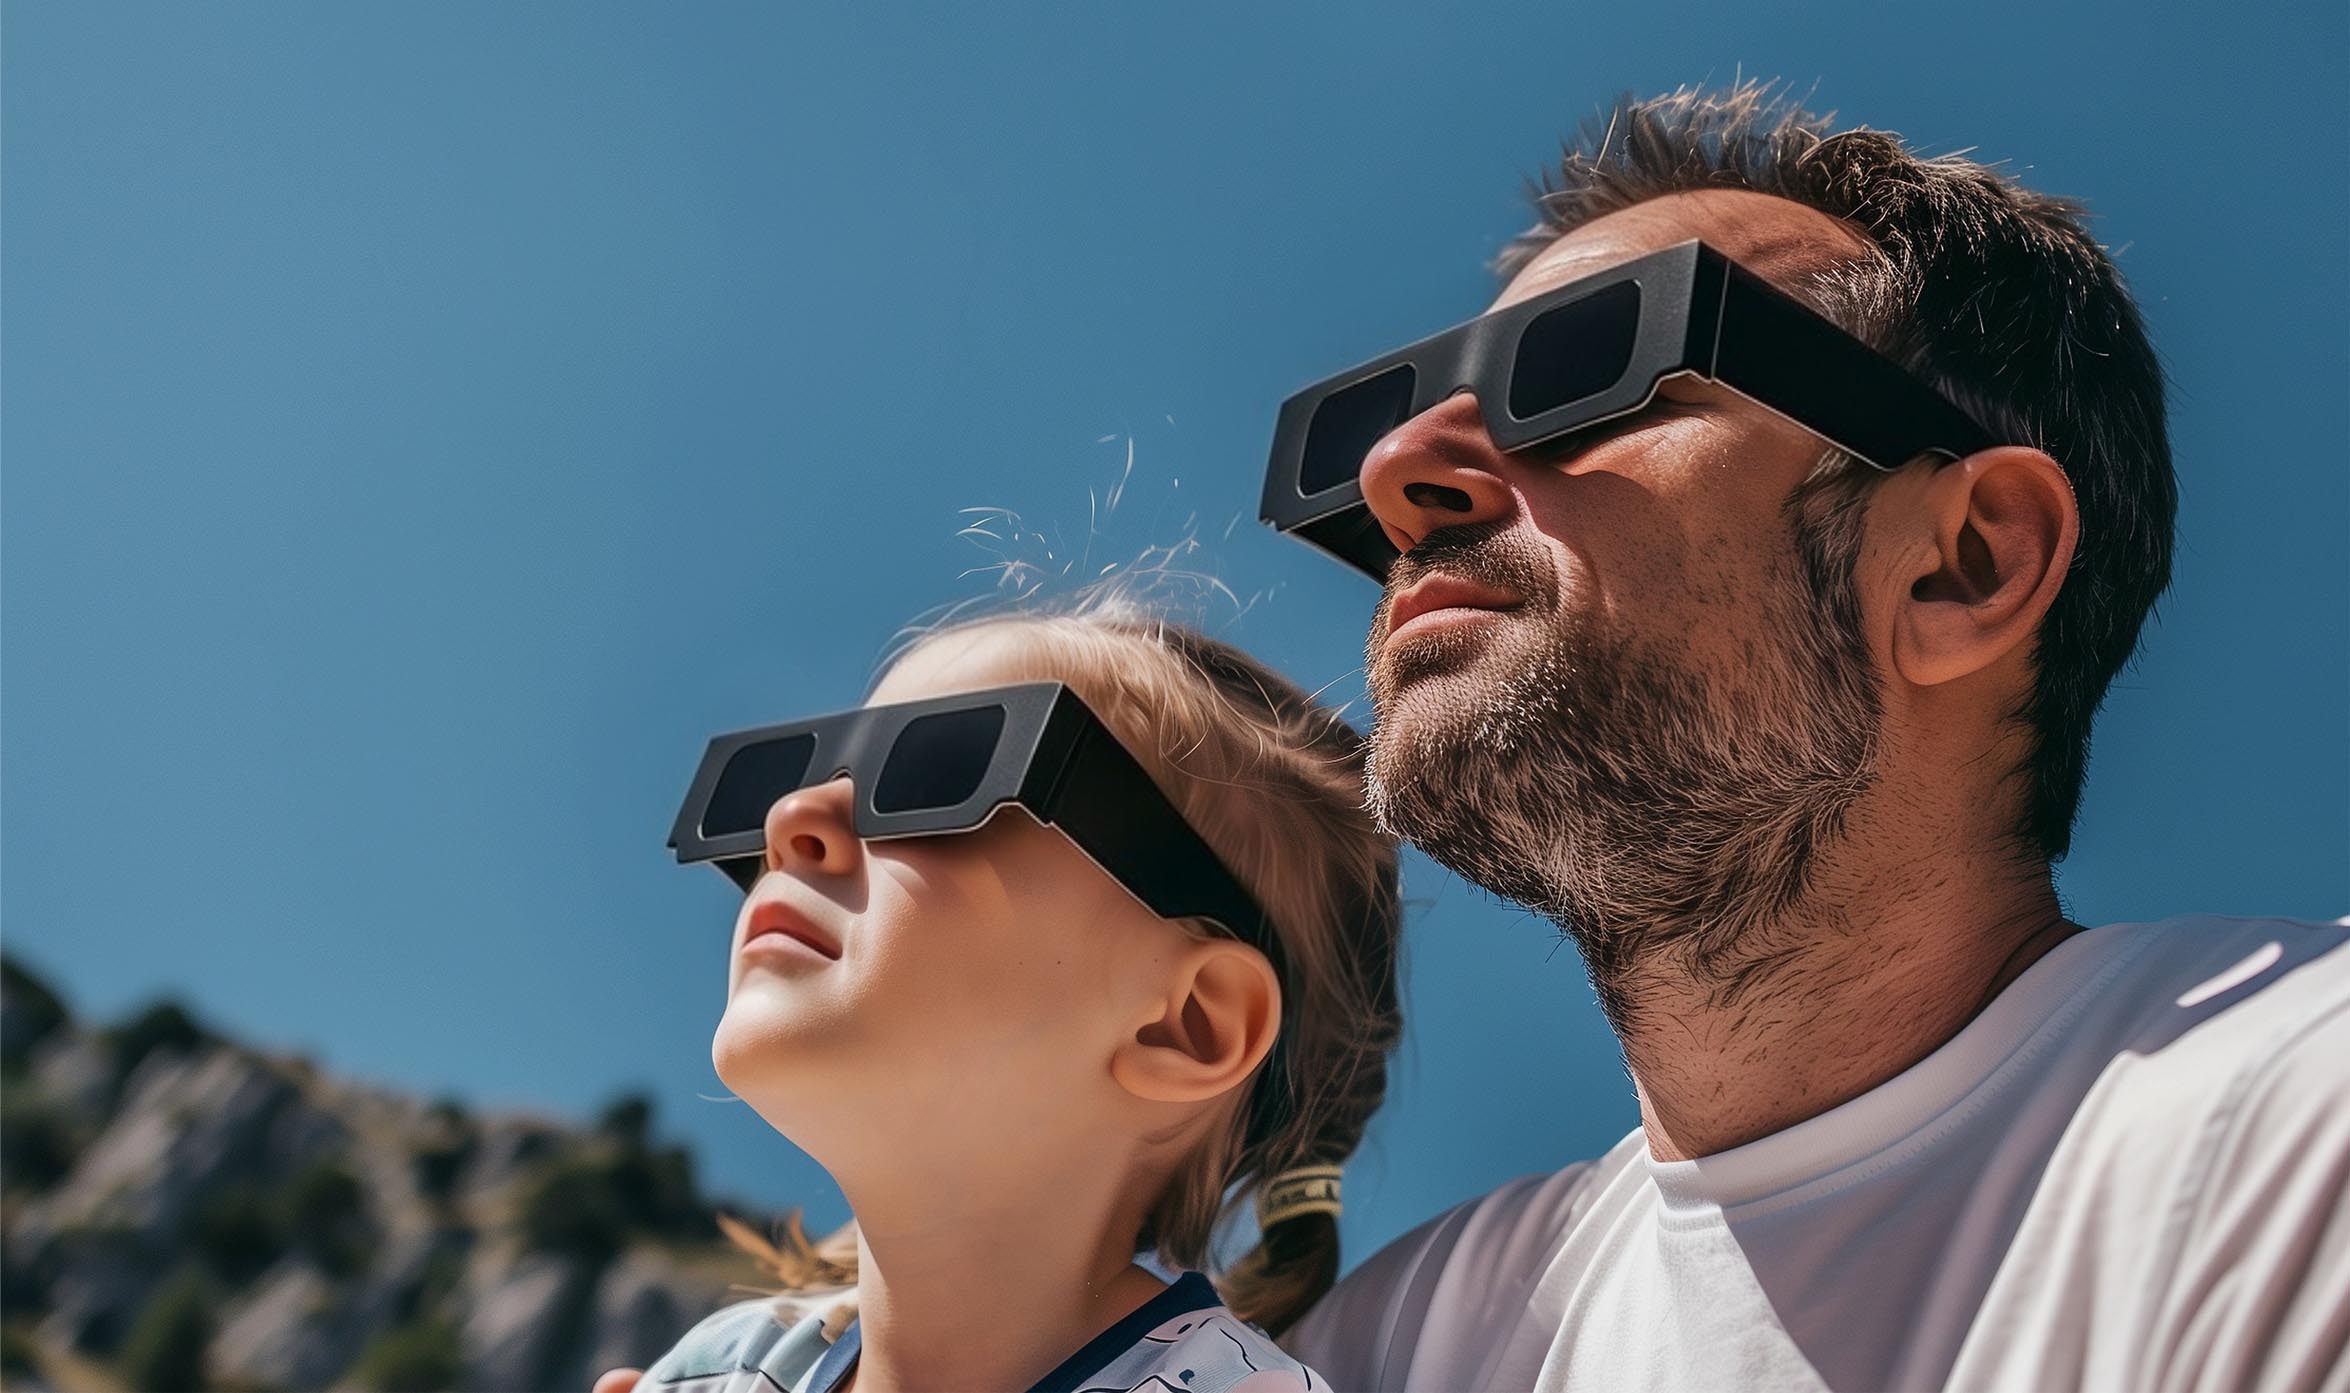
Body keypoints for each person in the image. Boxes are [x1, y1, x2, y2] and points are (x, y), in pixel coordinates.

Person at [1260, 83, 2348, 1390]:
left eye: (1581, 370)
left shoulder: (2299, 1123)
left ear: (1960, 566)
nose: (1400, 470)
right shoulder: (1384, 1351)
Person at [601, 598, 1401, 1393]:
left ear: (1186, 1023)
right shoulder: (723, 1368)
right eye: (800, 775)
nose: (793, 815)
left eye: (938, 774)